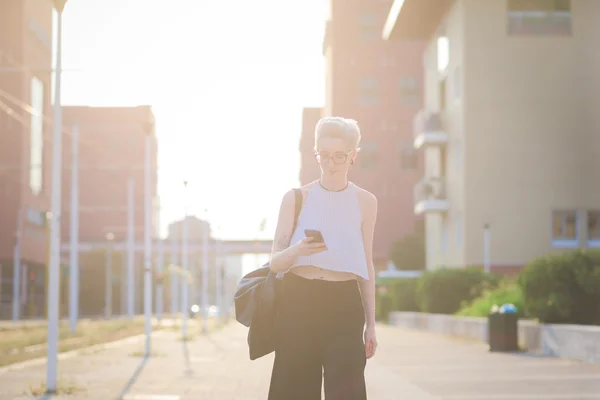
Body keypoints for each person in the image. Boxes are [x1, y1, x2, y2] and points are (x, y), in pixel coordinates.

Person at [267, 116, 378, 400]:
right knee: (295, 390)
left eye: (339, 156)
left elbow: (366, 264)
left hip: (344, 302)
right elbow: (275, 263)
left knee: (347, 391)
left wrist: (371, 324)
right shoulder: (295, 198)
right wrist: (297, 250)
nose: (331, 164)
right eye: (324, 155)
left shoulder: (366, 202)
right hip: (298, 300)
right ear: (316, 153)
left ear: (353, 156)